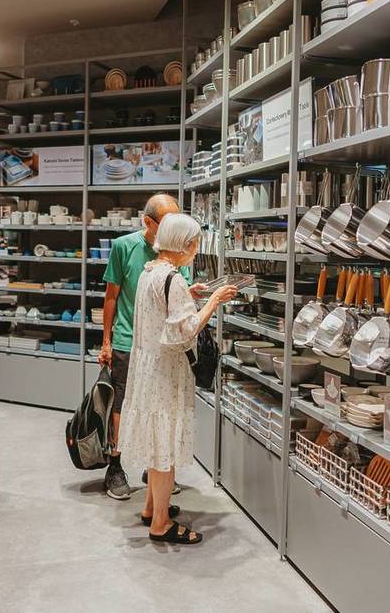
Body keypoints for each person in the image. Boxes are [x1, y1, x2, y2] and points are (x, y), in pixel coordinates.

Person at [117, 213, 237, 544]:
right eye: (195, 244)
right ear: (185, 244)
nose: (196, 251)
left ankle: (151, 508)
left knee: (157, 442)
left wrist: (192, 295)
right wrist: (214, 300)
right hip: (165, 372)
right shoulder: (174, 279)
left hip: (147, 366)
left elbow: (162, 311)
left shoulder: (149, 272)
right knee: (165, 447)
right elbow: (183, 332)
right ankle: (160, 524)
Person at [98, 193, 203, 499]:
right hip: (129, 340)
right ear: (148, 222)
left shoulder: (176, 251)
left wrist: (191, 292)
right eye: (167, 222)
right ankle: (115, 467)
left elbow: (174, 292)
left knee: (158, 409)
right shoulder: (123, 247)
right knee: (122, 405)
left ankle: (154, 467)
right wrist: (106, 341)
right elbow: (111, 296)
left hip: (163, 346)